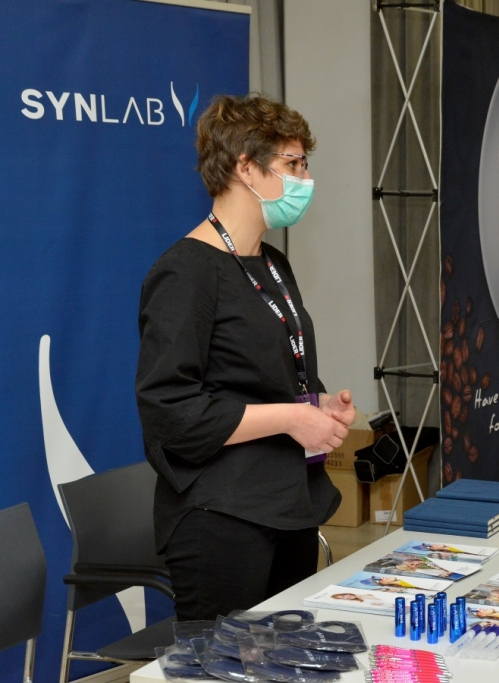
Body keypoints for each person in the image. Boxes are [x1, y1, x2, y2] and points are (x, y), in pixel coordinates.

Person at [136, 94, 356, 621]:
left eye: (305, 163)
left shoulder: (271, 262)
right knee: (223, 663)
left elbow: (264, 375)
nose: (305, 178)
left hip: (288, 504)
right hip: (221, 518)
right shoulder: (185, 271)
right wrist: (291, 418)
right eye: (292, 164)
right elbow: (170, 411)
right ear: (245, 168)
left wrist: (319, 405)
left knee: (287, 656)